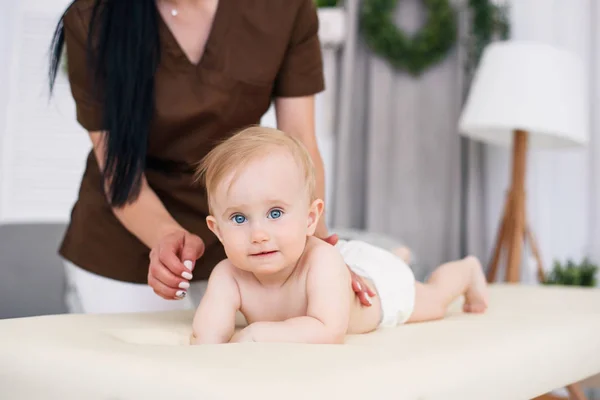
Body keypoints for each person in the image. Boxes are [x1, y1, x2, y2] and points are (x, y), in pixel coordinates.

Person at [47, 0, 375, 313]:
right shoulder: (92, 17)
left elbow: (300, 144)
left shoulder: (284, 8)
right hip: (129, 248)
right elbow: (120, 172)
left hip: (249, 239)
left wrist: (318, 254)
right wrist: (165, 237)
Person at [190, 126, 489, 344]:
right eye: (239, 218)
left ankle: (466, 271)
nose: (258, 234)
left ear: (310, 219)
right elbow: (206, 337)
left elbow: (328, 330)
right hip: (341, 270)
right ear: (217, 230)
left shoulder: (320, 261)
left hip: (377, 291)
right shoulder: (228, 275)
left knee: (434, 302)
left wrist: (256, 334)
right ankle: (398, 255)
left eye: (275, 213)